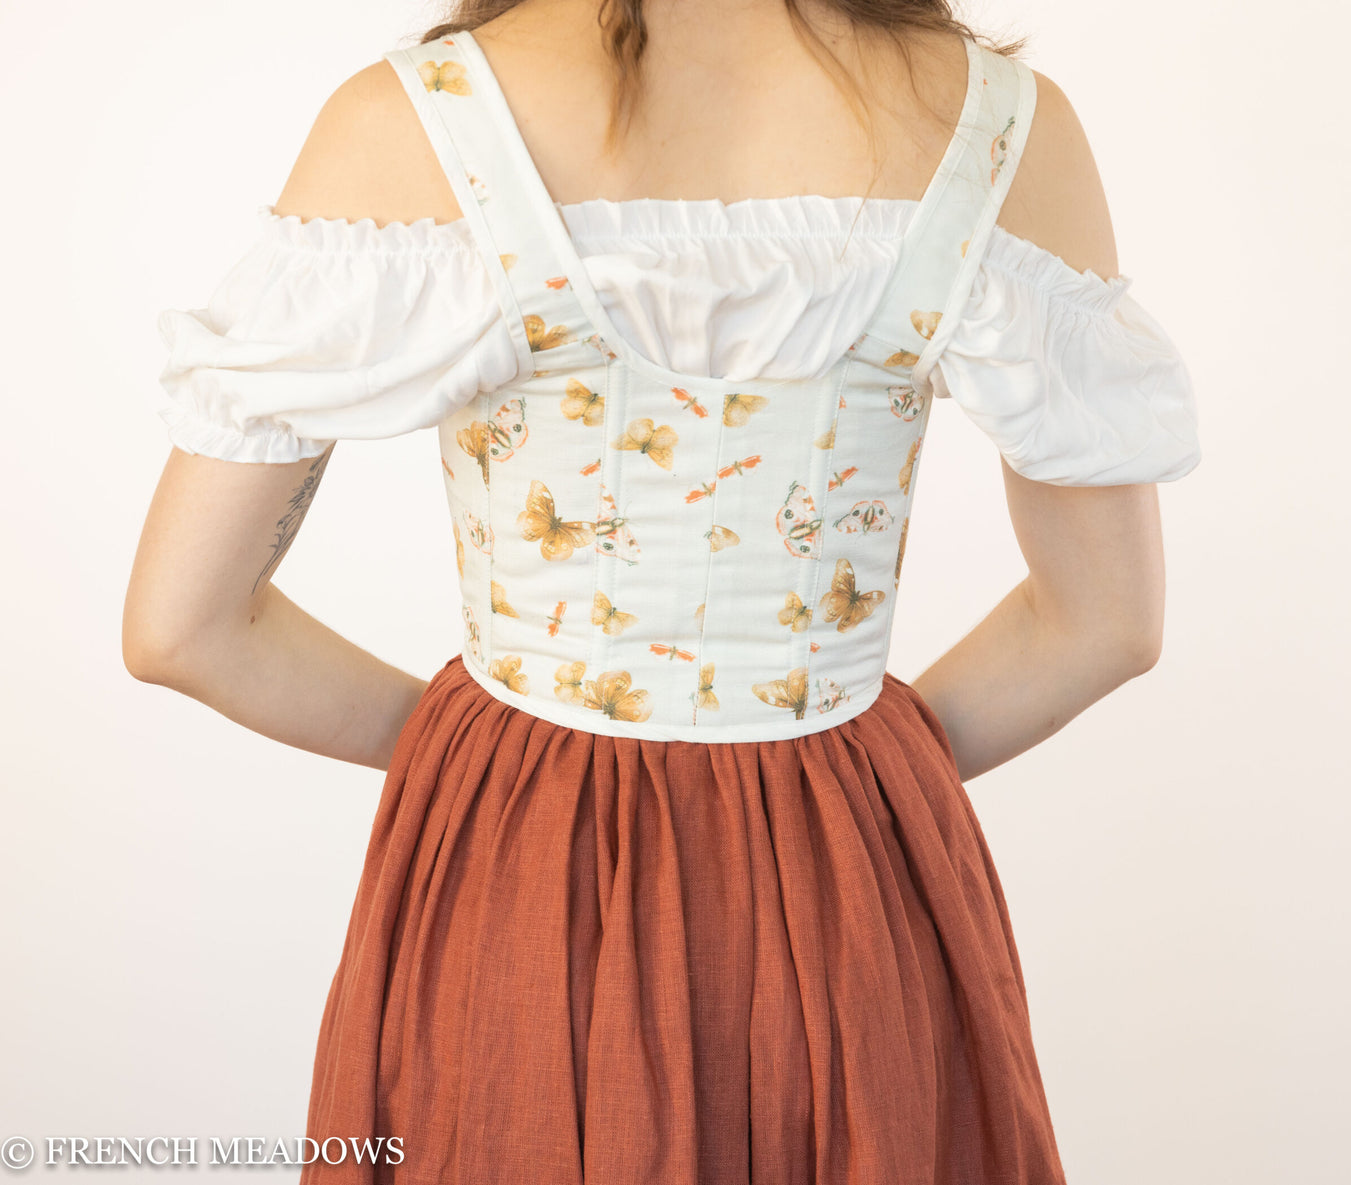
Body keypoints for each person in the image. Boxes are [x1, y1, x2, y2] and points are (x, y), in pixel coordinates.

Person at [123, 0, 1202, 1179]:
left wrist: (470, 762)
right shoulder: (1005, 127)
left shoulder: (414, 118)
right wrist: (857, 788)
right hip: (859, 882)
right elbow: (1102, 624)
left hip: (520, 866)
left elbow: (184, 628)